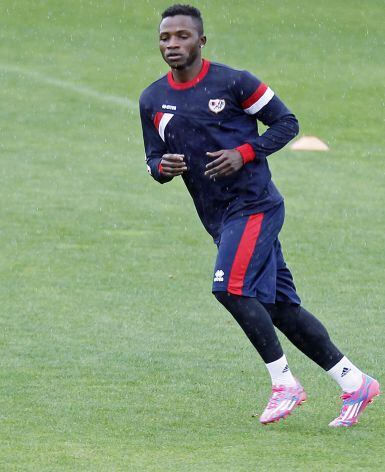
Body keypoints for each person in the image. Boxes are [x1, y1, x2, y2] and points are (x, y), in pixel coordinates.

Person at [138, 4, 379, 426]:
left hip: (254, 207)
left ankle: (284, 383)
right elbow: (152, 159)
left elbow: (287, 123)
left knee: (229, 287)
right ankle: (354, 382)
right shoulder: (152, 99)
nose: (173, 44)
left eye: (182, 36)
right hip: (217, 218)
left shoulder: (234, 82)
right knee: (280, 308)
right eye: (165, 38)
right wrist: (163, 168)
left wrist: (244, 153)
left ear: (201, 41)